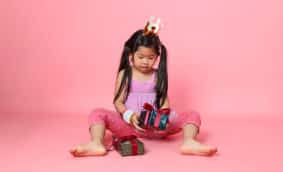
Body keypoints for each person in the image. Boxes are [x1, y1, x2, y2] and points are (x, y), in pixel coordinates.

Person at [70, 17, 217, 157]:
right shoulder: (125, 74)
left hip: (156, 128)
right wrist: (129, 116)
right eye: (141, 57)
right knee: (97, 113)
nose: (145, 62)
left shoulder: (158, 75)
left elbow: (164, 99)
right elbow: (118, 102)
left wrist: (162, 119)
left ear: (157, 57)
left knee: (193, 115)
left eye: (150, 58)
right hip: (130, 126)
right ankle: (96, 143)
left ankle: (190, 142)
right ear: (131, 54)